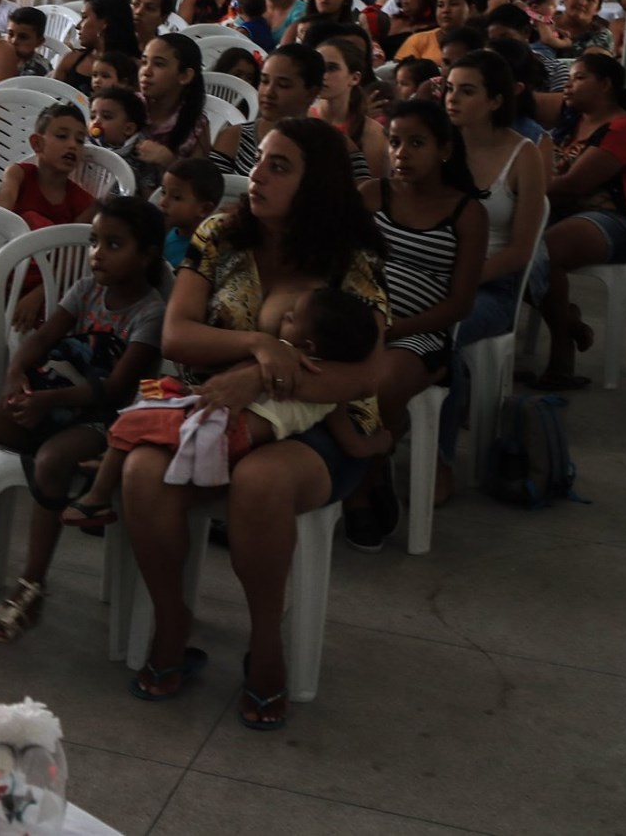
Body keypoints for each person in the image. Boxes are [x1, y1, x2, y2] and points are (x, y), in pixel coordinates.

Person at [123, 118, 388, 727]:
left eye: (279, 166)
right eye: (261, 159)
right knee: (140, 472)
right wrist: (258, 348)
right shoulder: (220, 235)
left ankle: (266, 642)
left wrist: (261, 379)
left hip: (320, 421)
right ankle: (172, 621)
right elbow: (177, 334)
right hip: (214, 406)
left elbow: (365, 374)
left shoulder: (352, 257)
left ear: (316, 185)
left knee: (261, 481)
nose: (257, 175)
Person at [0, 197, 165, 642]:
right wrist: (17, 375)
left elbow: (116, 391)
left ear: (147, 256)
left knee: (52, 459)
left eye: (114, 244)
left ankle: (32, 585)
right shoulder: (86, 290)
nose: (97, 253)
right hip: (50, 404)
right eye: (95, 241)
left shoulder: (150, 312)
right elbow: (40, 339)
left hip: (101, 425)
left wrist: (46, 400)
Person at [67, 287, 385, 526]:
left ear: (308, 345)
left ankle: (98, 495)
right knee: (154, 403)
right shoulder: (330, 393)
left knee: (143, 415)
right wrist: (381, 442)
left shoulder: (281, 357)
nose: (283, 317)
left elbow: (230, 382)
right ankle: (115, 460)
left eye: (291, 318)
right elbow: (353, 444)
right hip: (238, 438)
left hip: (225, 431)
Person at [348, 99, 486, 548]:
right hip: (359, 320)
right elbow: (340, 261)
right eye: (394, 142)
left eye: (416, 143)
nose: (401, 153)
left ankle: (365, 485)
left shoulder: (466, 213)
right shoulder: (372, 195)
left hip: (419, 333)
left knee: (383, 383)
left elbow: (460, 304)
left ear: (444, 150)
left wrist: (393, 330)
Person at [438, 49, 548, 494]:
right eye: (449, 89)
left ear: (496, 100)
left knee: (441, 335)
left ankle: (440, 459)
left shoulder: (523, 155)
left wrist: (461, 280)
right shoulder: (441, 146)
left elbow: (521, 251)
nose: (452, 99)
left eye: (466, 91)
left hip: (491, 287)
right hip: (432, 273)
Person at [523, 53, 626, 390]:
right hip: (567, 215)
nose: (568, 85)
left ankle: (562, 355)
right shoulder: (573, 120)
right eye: (569, 78)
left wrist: (519, 190)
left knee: (543, 250)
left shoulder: (623, 129)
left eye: (579, 78)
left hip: (616, 223)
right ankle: (570, 322)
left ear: (606, 84)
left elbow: (572, 186)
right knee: (511, 247)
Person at [213, 43, 324, 175]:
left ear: (311, 93)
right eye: (264, 81)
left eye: (283, 85)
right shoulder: (234, 138)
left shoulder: (327, 145)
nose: (268, 92)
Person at [0, 102, 97, 230]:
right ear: (37, 144)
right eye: (62, 136)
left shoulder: (83, 202)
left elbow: (73, 239)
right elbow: (0, 216)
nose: (73, 145)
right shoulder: (18, 175)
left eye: (80, 140)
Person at [313, 33, 389, 179]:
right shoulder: (299, 119)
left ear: (354, 78)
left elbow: (369, 188)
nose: (323, 75)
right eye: (319, 67)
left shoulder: (373, 134)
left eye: (332, 68)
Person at [137, 33, 211, 168]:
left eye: (159, 64)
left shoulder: (197, 126)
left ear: (185, 76)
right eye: (144, 62)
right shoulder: (126, 106)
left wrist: (169, 162)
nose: (146, 72)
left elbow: (197, 178)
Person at [53, 0, 138, 93]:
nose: (78, 25)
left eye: (84, 17)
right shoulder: (70, 59)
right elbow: (50, 96)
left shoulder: (134, 67)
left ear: (104, 23)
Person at [90, 86, 155, 196]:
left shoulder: (140, 156)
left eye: (106, 117)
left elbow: (149, 195)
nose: (96, 121)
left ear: (128, 129)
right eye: (92, 116)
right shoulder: (85, 145)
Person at [161, 157, 223, 267]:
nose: (163, 202)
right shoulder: (171, 230)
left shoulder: (201, 255)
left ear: (204, 209)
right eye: (163, 192)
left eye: (176, 197)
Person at [395, 0, 473, 64]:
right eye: (440, 5)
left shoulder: (481, 42)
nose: (445, 10)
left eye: (453, 4)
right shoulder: (417, 40)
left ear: (471, 10)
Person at [540, 0, 613, 56]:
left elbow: (593, 63)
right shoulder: (541, 23)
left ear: (597, 9)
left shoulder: (601, 35)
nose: (582, 2)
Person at [7, 8, 51, 78]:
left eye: (23, 37)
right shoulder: (1, 56)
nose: (14, 41)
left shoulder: (37, 70)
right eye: (10, 34)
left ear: (39, 42)